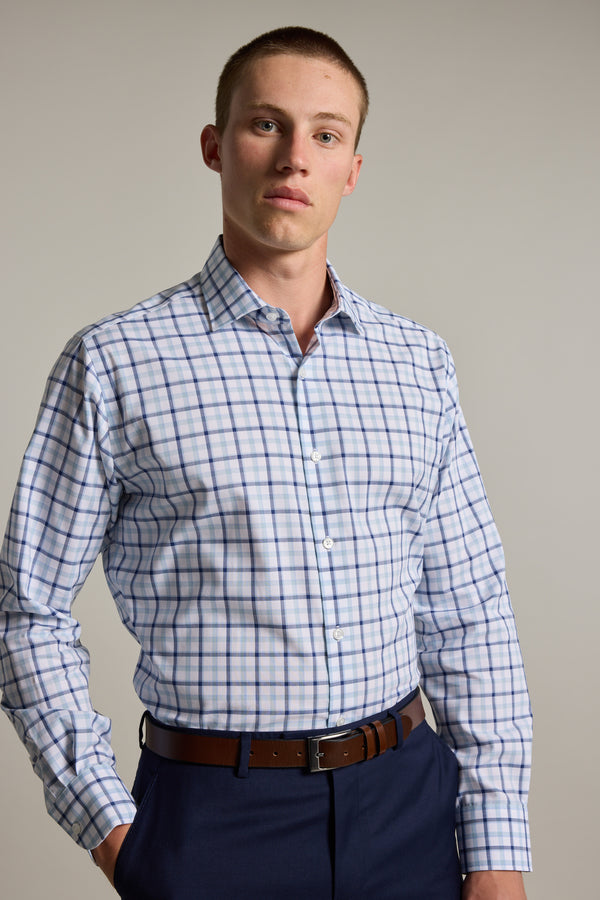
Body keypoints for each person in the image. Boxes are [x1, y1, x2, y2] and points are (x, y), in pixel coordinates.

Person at [0, 26, 532, 900]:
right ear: (215, 147)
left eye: (325, 133)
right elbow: (28, 611)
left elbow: (469, 609)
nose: (294, 157)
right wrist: (117, 834)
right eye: (265, 124)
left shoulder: (418, 362)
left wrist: (498, 849)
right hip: (212, 822)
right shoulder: (114, 363)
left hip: (409, 808)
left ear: (351, 169)